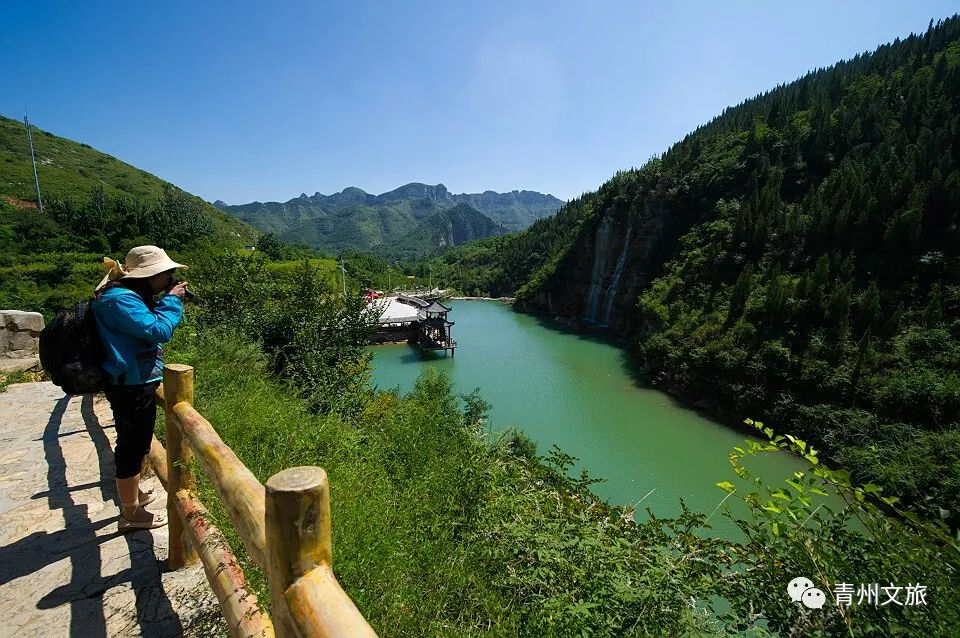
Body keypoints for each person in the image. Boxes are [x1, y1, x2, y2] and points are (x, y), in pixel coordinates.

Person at [92, 245, 190, 531]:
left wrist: (165, 298)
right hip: (130, 385)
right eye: (166, 272)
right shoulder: (120, 300)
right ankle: (131, 513)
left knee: (136, 443)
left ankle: (132, 498)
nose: (170, 277)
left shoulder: (128, 296)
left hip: (134, 382)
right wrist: (172, 301)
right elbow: (159, 330)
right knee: (131, 447)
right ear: (151, 275)